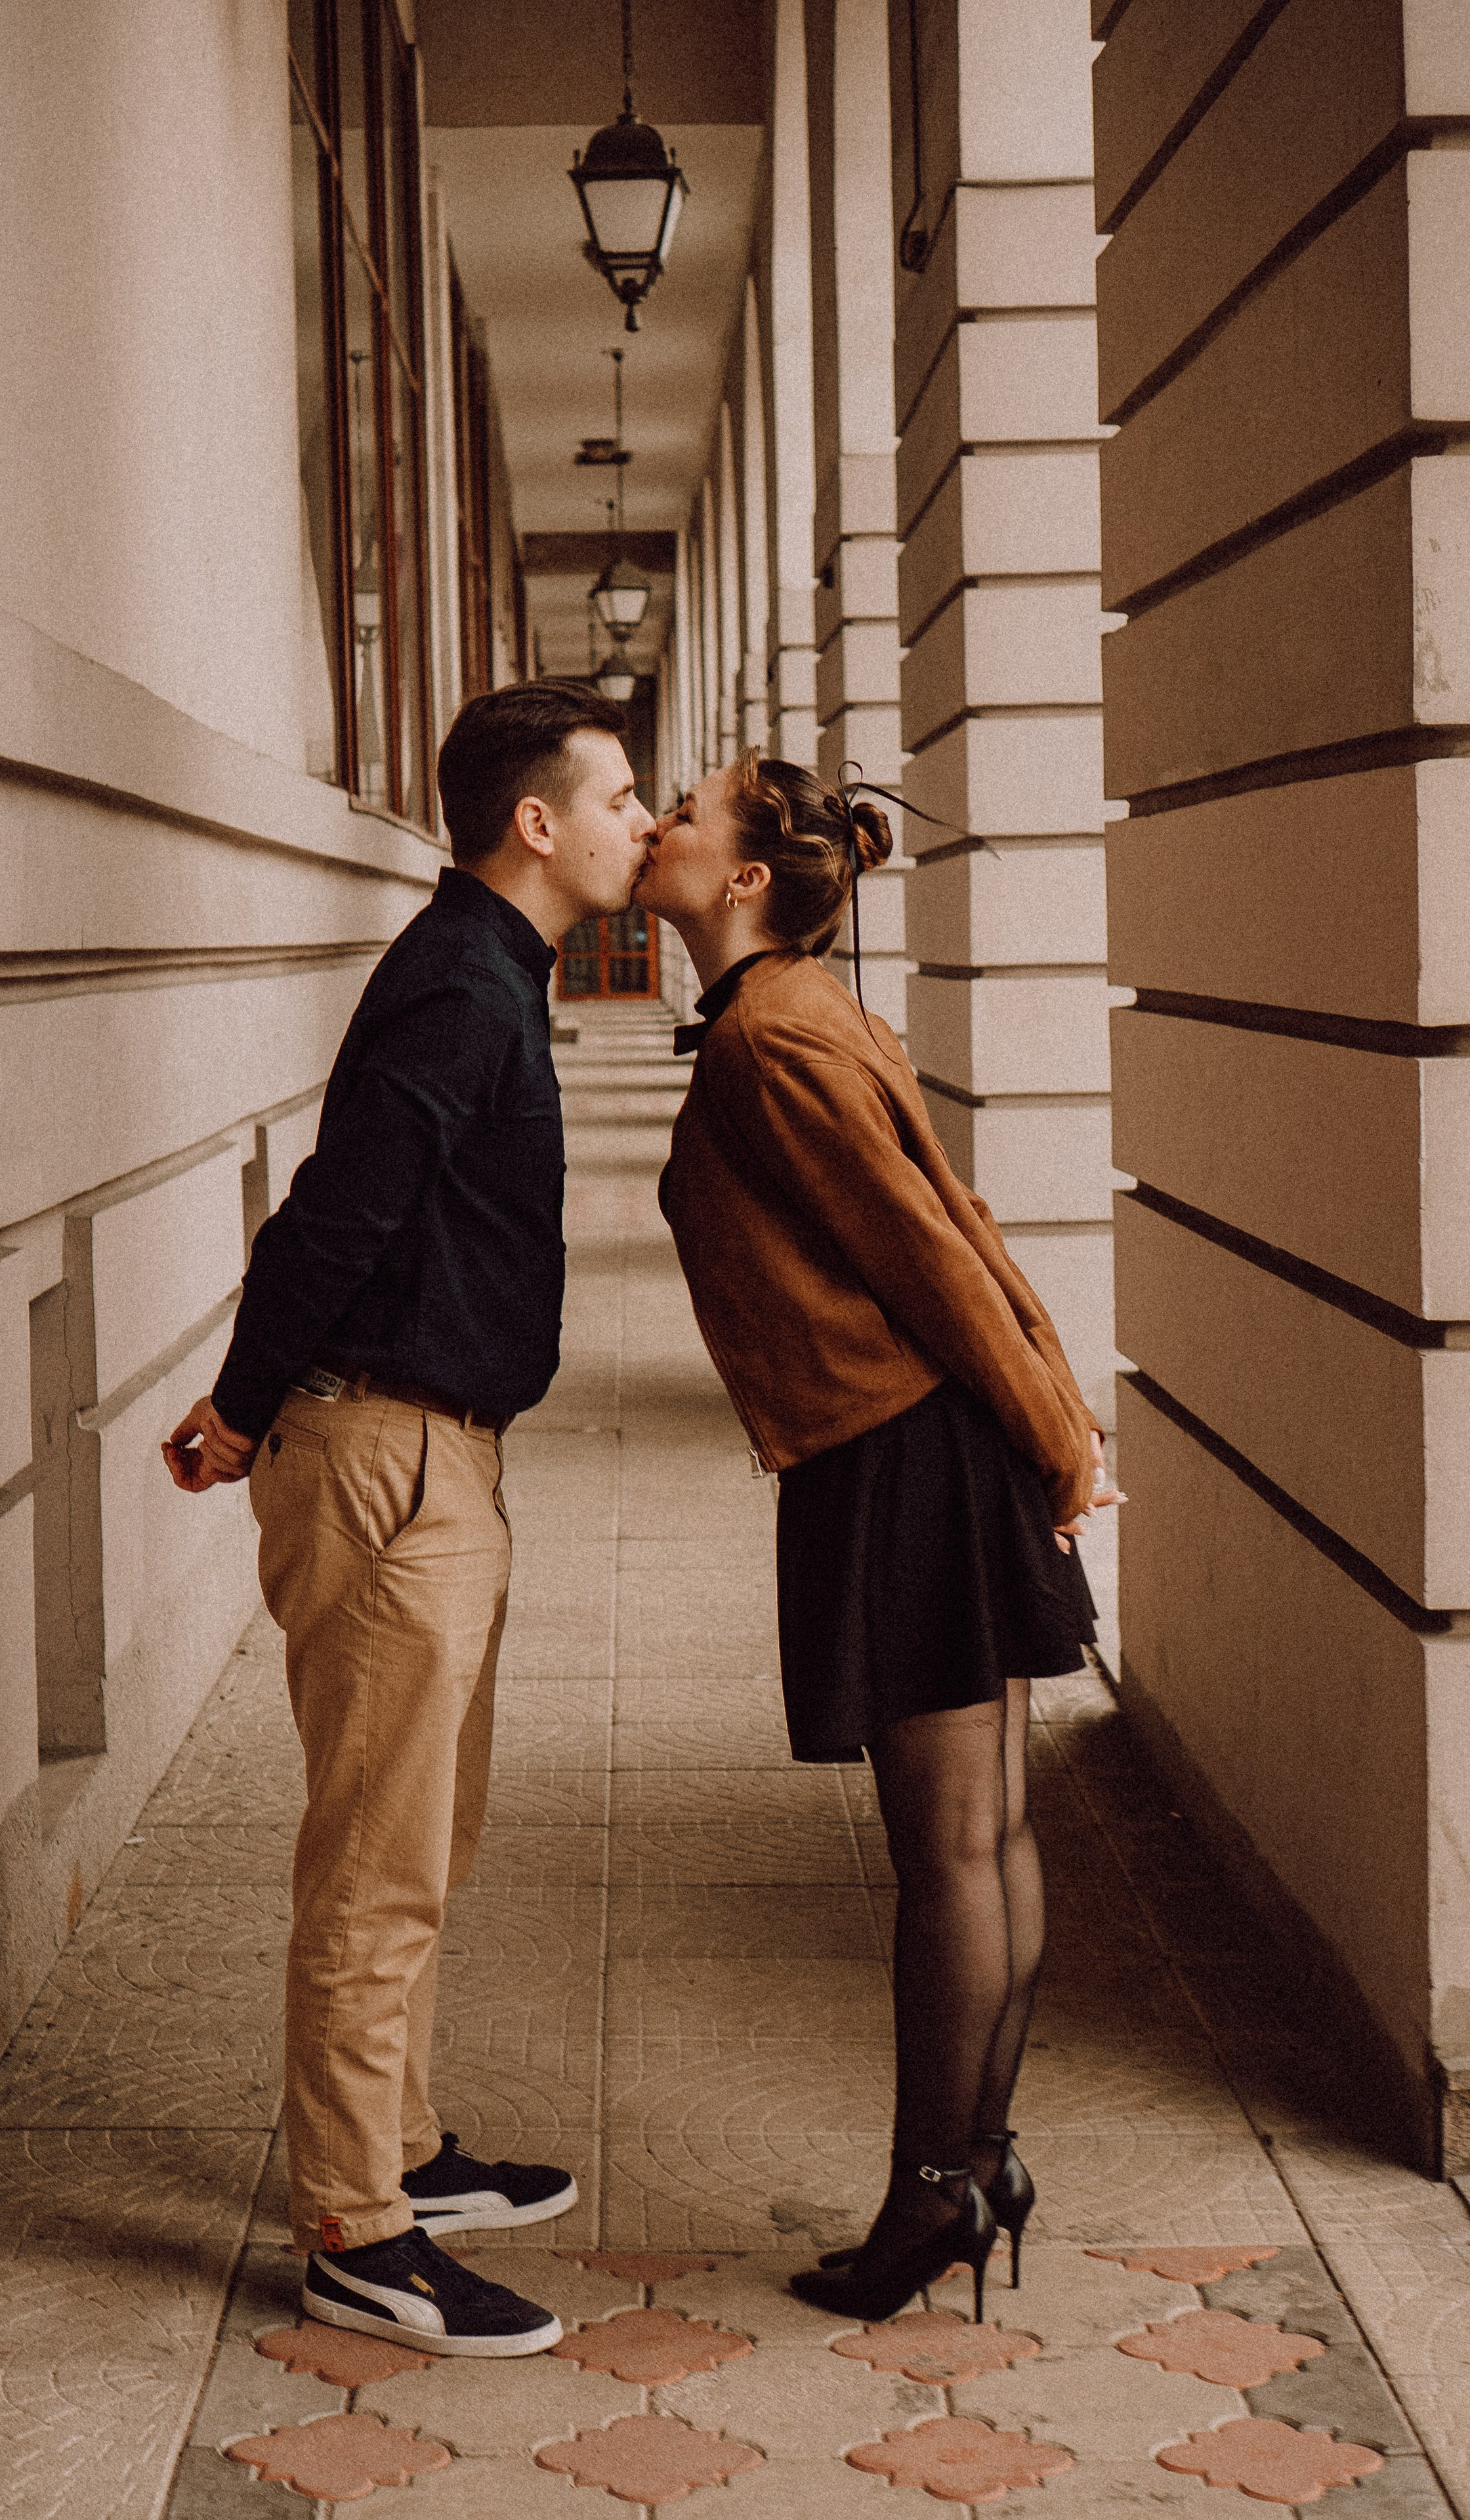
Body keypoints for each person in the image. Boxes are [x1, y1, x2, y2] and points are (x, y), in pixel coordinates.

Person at [163, 682, 654, 2357]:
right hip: (387, 1458)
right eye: (619, 797)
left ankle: (406, 2154)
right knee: (376, 1868)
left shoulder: (484, 968)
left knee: (421, 1845)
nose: (641, 824)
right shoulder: (461, 984)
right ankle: (354, 2230)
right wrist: (242, 1408)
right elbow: (338, 1210)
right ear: (538, 822)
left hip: (435, 1452)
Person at [637, 753, 1121, 2324]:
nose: (658, 826)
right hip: (918, 1443)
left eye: (686, 817)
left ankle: (935, 2194)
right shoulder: (790, 1017)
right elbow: (957, 1223)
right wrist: (1050, 1413)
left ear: (743, 881)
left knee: (943, 1853)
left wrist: (1055, 1436)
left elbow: (931, 1255)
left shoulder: (768, 1041)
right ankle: (975, 2163)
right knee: (983, 1834)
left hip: (901, 1454)